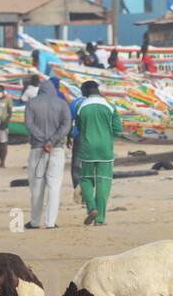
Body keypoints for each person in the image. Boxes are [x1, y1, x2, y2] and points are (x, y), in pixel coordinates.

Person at [75, 81, 124, 226]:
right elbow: (118, 130)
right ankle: (100, 219)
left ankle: (91, 208)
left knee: (85, 179)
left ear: (85, 91)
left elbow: (78, 128)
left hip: (88, 149)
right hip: (105, 150)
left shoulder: (80, 107)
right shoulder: (110, 106)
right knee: (104, 181)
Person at [24, 80, 71, 229]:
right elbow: (66, 125)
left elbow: (29, 124)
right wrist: (52, 140)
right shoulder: (62, 104)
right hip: (56, 149)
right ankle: (50, 222)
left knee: (36, 187)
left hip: (37, 148)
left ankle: (35, 221)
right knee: (54, 186)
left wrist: (43, 140)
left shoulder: (31, 103)